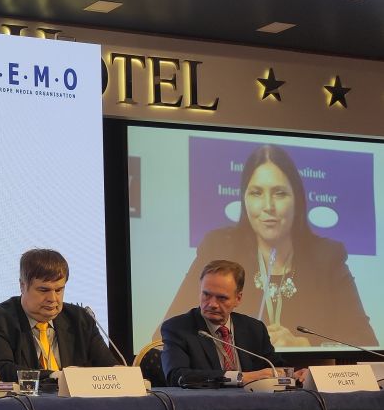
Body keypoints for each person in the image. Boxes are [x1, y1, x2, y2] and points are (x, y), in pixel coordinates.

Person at [160, 144, 375, 348]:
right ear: (244, 199)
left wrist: (305, 345)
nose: (268, 206)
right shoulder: (217, 247)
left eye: (279, 193)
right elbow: (166, 336)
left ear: (297, 199)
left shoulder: (327, 257)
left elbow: (365, 341)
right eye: (256, 193)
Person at [0, 248, 116, 383]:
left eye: (59, 290)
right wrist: (53, 376)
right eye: (43, 290)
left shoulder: (80, 319)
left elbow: (110, 368)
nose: (53, 299)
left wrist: (119, 373)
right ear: (22, 286)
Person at [161, 259, 287, 387]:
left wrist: (294, 375)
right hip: (206, 400)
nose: (212, 304)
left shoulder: (254, 329)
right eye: (206, 295)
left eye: (222, 298)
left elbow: (276, 368)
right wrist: (241, 377)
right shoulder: (177, 328)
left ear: (238, 299)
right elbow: (177, 376)